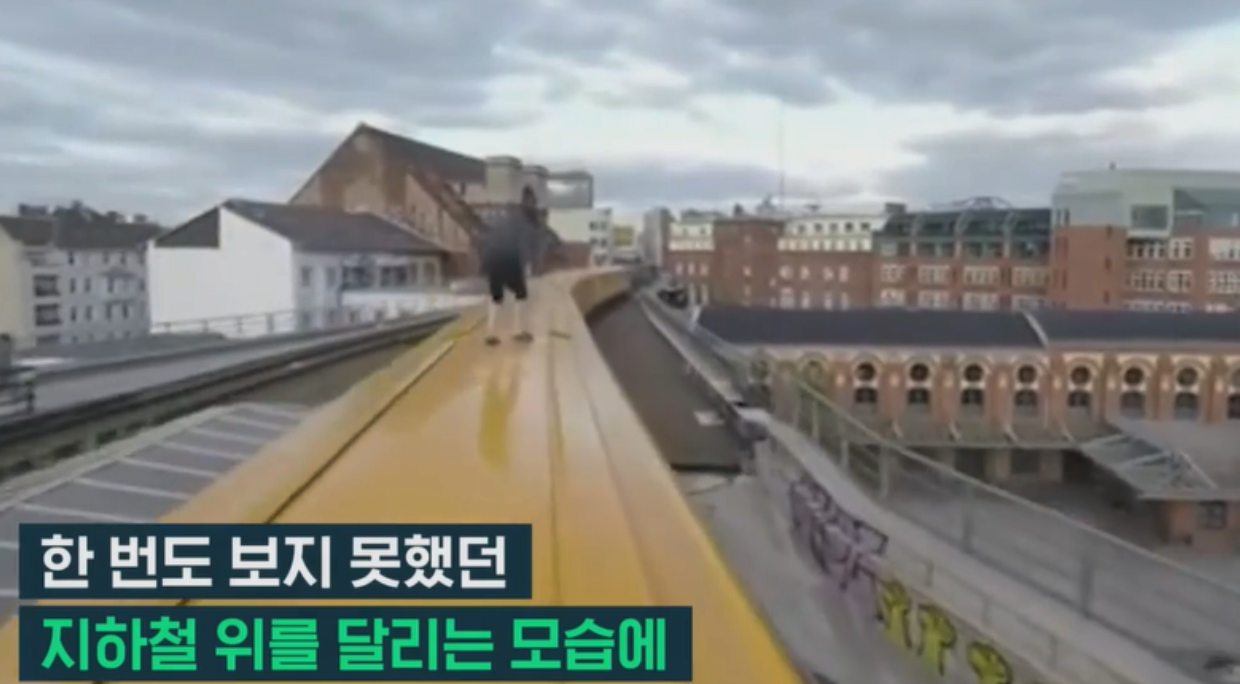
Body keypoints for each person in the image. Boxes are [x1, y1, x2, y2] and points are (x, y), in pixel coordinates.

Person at [478, 214, 533, 346]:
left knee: (496, 298)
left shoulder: (497, 229)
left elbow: (485, 246)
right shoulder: (521, 228)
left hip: (493, 261)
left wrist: (484, 267)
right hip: (509, 261)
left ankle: (490, 333)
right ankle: (517, 331)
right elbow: (521, 248)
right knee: (521, 294)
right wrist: (526, 265)